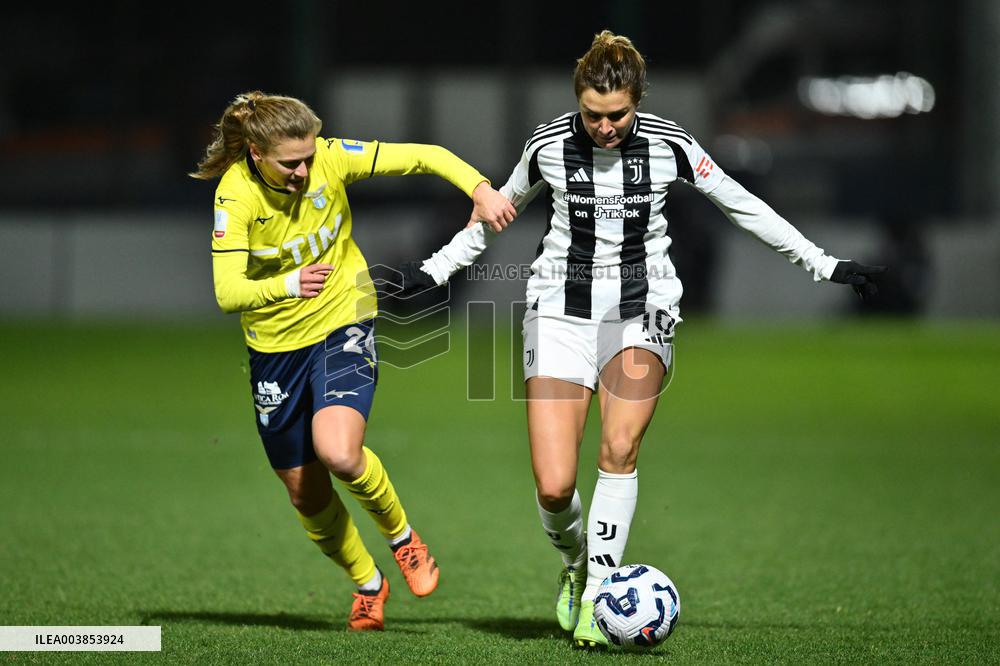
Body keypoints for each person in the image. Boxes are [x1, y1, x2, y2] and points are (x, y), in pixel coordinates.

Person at [401, 32, 884, 648]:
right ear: (578, 103)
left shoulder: (670, 144)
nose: (605, 127)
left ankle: (599, 598)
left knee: (619, 445)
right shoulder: (547, 146)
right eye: (593, 115)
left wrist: (825, 264)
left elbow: (742, 205)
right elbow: (493, 213)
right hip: (559, 313)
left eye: (618, 114)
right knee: (554, 486)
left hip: (642, 309)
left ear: (638, 101)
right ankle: (577, 564)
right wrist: (433, 271)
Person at [189, 91, 516, 631]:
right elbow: (227, 292)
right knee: (304, 491)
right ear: (255, 153)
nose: (304, 171)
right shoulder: (236, 195)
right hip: (273, 350)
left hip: (345, 318)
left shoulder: (331, 157)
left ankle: (404, 540)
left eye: (308, 157)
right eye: (290, 163)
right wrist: (289, 284)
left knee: (339, 453)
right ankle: (368, 584)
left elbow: (426, 155)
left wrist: (480, 189)